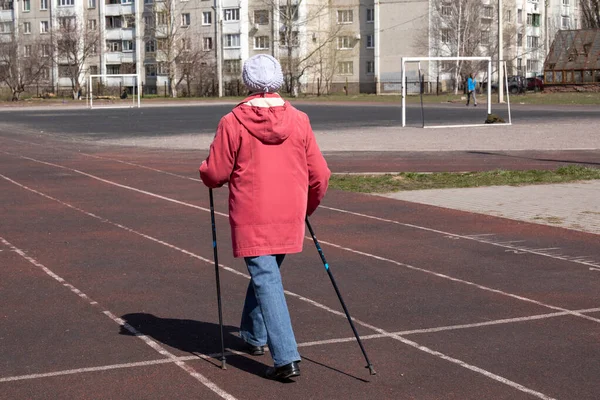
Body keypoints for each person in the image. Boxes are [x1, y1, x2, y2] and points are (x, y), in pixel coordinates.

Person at [199, 54, 331, 381]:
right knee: (266, 273)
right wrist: (306, 207)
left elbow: (215, 173)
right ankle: (253, 335)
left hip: (252, 214)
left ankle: (286, 357)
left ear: (247, 82)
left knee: (266, 277)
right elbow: (321, 174)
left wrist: (206, 173)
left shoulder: (232, 121)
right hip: (289, 213)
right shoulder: (299, 119)